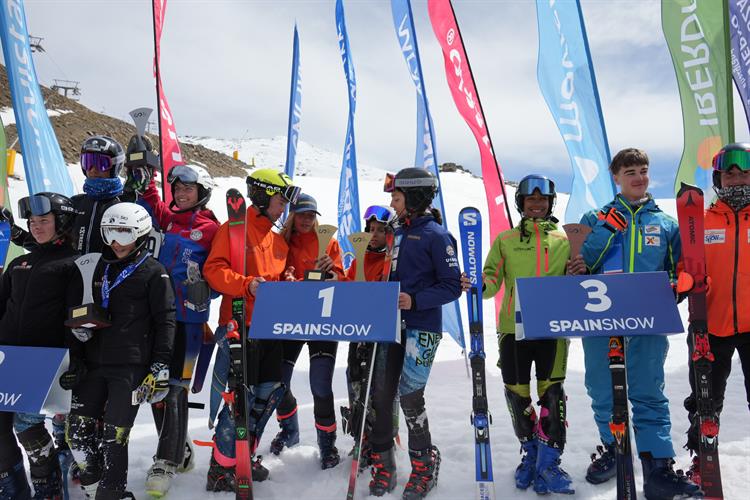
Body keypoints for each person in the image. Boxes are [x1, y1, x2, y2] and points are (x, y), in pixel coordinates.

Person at [579, 148, 700, 499]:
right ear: (616, 177)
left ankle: (657, 467)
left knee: (648, 392)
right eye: (630, 171)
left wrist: (679, 286)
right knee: (603, 391)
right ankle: (613, 450)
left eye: (643, 170)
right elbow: (583, 266)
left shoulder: (665, 224)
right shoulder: (594, 216)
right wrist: (607, 229)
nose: (638, 177)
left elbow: (680, 271)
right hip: (600, 322)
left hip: (647, 320)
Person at [61, 202, 176, 500]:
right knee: (77, 433)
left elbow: (166, 321)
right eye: (110, 231)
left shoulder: (154, 272)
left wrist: (160, 365)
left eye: (124, 232)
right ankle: (98, 487)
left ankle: (110, 494)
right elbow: (79, 307)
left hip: (131, 366)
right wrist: (78, 335)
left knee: (115, 437)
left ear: (139, 232)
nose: (116, 240)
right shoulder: (96, 267)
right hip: (93, 361)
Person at [482, 175, 582, 494]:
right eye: (530, 200)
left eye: (542, 200)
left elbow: (579, 283)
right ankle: (531, 454)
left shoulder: (565, 239)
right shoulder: (506, 240)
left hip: (553, 327)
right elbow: (490, 281)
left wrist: (577, 272)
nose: (537, 205)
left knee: (552, 393)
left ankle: (550, 462)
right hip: (514, 327)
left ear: (551, 202)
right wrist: (475, 285)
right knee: (517, 395)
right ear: (521, 204)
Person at [202, 168, 300, 492]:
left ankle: (243, 455)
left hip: (270, 328)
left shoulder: (276, 241)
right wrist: (245, 285)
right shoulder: (232, 230)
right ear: (261, 196)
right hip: (239, 326)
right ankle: (221, 467)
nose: (283, 206)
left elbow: (274, 280)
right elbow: (214, 271)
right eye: (279, 199)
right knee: (238, 399)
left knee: (269, 393)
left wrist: (286, 282)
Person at [367, 168, 461, 499]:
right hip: (388, 325)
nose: (392, 205)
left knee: (409, 395)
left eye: (396, 198)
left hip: (421, 327)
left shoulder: (436, 236)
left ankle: (424, 464)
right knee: (380, 395)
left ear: (415, 197)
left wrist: (415, 299)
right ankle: (383, 464)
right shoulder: (396, 234)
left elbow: (452, 285)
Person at [128, 161, 220, 495]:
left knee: (177, 387)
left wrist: (210, 288)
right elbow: (152, 203)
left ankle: (165, 461)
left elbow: (221, 269)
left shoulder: (211, 230)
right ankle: (178, 448)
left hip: (190, 322)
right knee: (155, 384)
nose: (180, 194)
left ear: (202, 192)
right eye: (177, 189)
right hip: (157, 316)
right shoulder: (167, 220)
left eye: (187, 189)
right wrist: (145, 175)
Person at [0, 193, 78, 499]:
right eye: (32, 221)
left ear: (62, 223)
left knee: (27, 426)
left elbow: (77, 318)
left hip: (46, 359)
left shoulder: (73, 264)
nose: (36, 227)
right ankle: (12, 489)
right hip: (9, 358)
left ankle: (48, 488)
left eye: (44, 220)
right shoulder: (19, 263)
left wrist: (75, 361)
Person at [682, 143, 750, 485]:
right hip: (710, 325)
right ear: (718, 178)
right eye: (729, 173)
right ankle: (702, 460)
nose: (736, 179)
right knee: (705, 401)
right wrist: (683, 279)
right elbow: (685, 264)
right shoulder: (700, 220)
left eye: (744, 172)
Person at [268, 193, 346, 469]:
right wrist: (286, 279)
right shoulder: (280, 241)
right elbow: (274, 275)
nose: (306, 220)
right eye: (301, 214)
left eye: (311, 215)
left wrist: (331, 273)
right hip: (291, 319)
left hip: (323, 321)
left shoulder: (329, 242)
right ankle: (289, 431)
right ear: (292, 215)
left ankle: (328, 445)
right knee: (279, 383)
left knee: (320, 384)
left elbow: (343, 280)